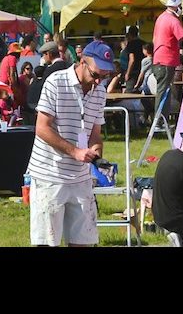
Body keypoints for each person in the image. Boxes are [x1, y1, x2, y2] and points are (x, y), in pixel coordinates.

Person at [26, 40, 114, 246]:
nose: (98, 81)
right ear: (82, 62)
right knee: (48, 242)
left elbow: (95, 132)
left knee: (84, 241)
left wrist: (96, 151)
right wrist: (74, 151)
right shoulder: (55, 82)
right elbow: (42, 128)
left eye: (104, 77)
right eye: (95, 75)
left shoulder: (100, 91)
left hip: (81, 177)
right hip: (50, 174)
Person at [122, 25, 145, 92]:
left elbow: (132, 60)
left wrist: (128, 73)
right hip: (142, 70)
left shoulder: (131, 44)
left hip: (133, 72)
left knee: (130, 92)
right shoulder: (143, 43)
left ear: (129, 33)